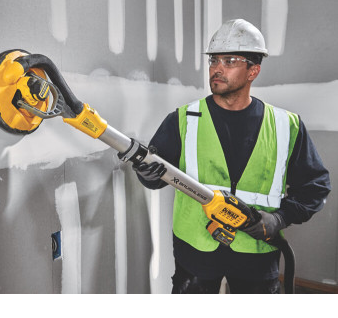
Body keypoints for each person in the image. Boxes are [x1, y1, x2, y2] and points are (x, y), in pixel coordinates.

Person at [134, 19, 331, 294]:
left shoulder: (286, 126)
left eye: (229, 61)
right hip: (196, 250)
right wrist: (145, 173)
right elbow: (156, 178)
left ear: (253, 71)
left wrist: (279, 219)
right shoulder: (183, 119)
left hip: (257, 251)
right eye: (214, 60)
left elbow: (315, 186)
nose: (217, 68)